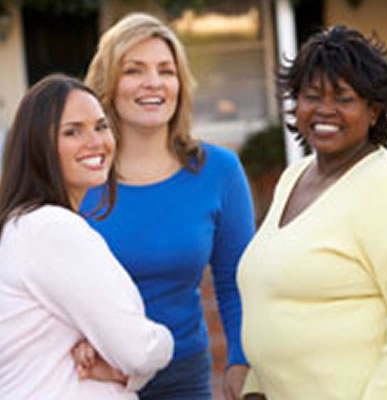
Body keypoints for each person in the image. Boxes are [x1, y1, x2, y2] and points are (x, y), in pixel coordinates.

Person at [77, 12, 255, 400]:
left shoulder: (219, 171)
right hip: (90, 375)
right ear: (109, 84)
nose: (153, 83)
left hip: (183, 373)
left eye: (165, 70)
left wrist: (241, 361)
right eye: (134, 70)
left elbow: (236, 281)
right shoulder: (76, 173)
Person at [237, 24, 387, 400]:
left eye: (343, 98)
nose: (325, 110)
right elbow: (273, 293)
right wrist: (256, 385)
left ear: (374, 110)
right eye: (312, 96)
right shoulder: (295, 176)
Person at [0, 73, 173, 400]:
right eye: (72, 132)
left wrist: (120, 365)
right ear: (39, 147)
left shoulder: (21, 227)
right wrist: (164, 341)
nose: (96, 142)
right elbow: (139, 349)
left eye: (101, 126)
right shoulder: (52, 229)